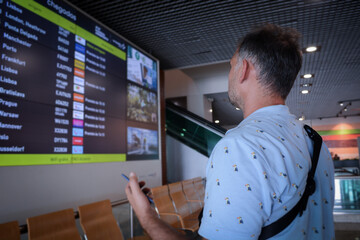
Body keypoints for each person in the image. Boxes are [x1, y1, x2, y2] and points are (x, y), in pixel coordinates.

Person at [125, 24, 335, 240]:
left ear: (243, 69)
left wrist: (146, 216)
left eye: (231, 66)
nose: (230, 74)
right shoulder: (315, 141)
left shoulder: (239, 147)